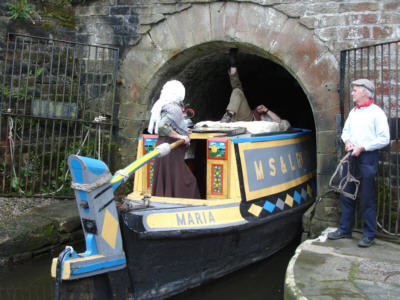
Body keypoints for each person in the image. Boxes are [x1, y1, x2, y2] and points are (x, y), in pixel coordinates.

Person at [327, 78, 390, 247]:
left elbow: (384, 138)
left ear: (364, 91)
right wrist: (347, 141)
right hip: (351, 156)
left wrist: (363, 147)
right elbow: (345, 131)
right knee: (346, 193)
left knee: (367, 196)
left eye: (355, 89)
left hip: (367, 158)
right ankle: (344, 230)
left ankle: (369, 234)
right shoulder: (354, 111)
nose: (353, 92)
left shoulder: (377, 113)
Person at [148, 80, 200, 199]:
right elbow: (162, 127)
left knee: (166, 177)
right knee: (189, 182)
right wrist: (180, 136)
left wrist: (184, 130)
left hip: (162, 145)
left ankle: (165, 200)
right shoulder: (173, 107)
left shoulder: (162, 104)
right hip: (171, 148)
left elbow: (168, 125)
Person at [220, 49, 290, 131]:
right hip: (236, 116)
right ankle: (233, 63)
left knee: (237, 90)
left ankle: (228, 115)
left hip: (248, 120)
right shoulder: (252, 109)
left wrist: (266, 110)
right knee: (237, 90)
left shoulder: (267, 116)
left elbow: (280, 122)